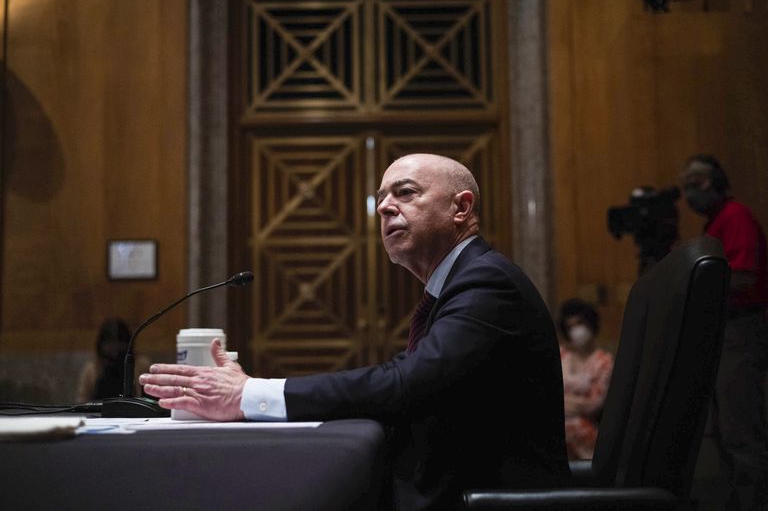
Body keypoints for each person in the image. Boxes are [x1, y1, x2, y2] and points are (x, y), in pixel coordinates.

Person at [140, 153, 569, 509]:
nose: (384, 208)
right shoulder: (461, 283)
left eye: (405, 193)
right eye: (381, 198)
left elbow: (409, 382)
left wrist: (248, 395)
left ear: (461, 208)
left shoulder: (488, 282)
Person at [681, 154, 768, 510]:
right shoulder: (714, 224)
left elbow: (743, 276)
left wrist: (695, 282)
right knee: (725, 436)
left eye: (699, 181)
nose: (691, 190)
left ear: (718, 180)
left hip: (740, 330)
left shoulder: (735, 216)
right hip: (724, 332)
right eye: (686, 185)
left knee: (742, 437)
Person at [557, 298, 614, 460]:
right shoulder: (561, 354)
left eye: (579, 323)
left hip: (586, 426)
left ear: (590, 324)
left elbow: (594, 404)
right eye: (570, 327)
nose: (576, 331)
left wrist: (562, 403)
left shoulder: (604, 361)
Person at [76, 317, 149, 401]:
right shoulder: (92, 369)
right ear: (101, 344)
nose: (115, 347)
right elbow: (82, 399)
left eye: (119, 342)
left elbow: (148, 397)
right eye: (110, 342)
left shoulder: (141, 364)